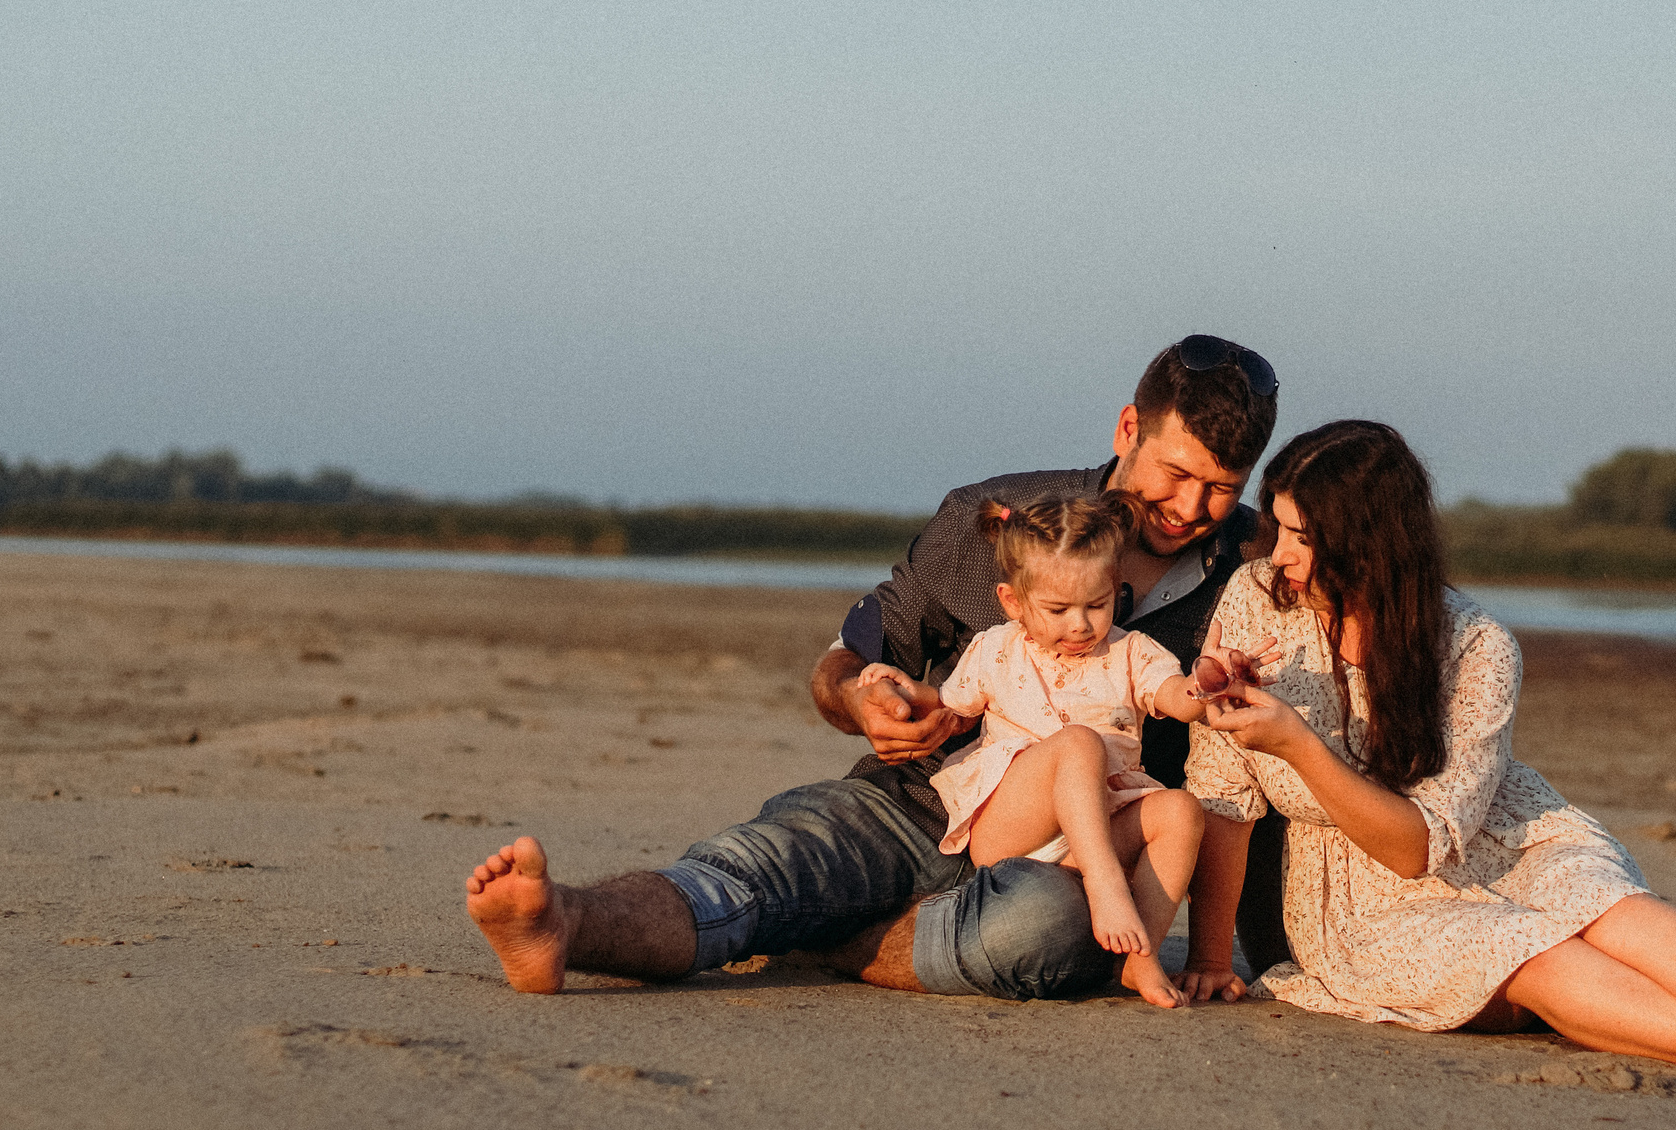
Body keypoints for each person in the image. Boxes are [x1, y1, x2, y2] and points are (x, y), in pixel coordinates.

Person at [465, 335, 1286, 1000]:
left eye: (1222, 487)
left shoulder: (1259, 571)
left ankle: (851, 938)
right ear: (1126, 430)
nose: (1190, 508)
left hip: (1076, 863)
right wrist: (863, 697)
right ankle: (564, 919)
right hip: (917, 800)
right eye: (1176, 474)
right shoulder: (988, 519)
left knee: (1045, 933)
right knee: (764, 866)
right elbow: (851, 657)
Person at [1179, 420, 1676, 1103]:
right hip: (1365, 900)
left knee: (1613, 908)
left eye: (1302, 536)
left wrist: (1298, 744)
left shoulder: (1476, 645)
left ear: (1369, 540)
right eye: (1278, 528)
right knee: (1542, 954)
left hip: (1498, 834)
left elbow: (1427, 839)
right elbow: (1226, 798)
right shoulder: (1257, 601)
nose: (1280, 555)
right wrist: (1213, 958)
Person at [859, 492, 1260, 1007]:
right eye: (1057, 609)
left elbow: (1177, 699)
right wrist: (904, 689)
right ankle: (1108, 888)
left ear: (1116, 591)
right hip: (1013, 827)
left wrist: (1208, 682)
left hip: (1095, 829)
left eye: (1096, 605)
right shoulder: (995, 649)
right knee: (1079, 744)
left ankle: (1139, 958)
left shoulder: (1130, 652)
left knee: (1181, 811)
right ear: (1013, 601)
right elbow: (950, 709)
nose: (1079, 625)